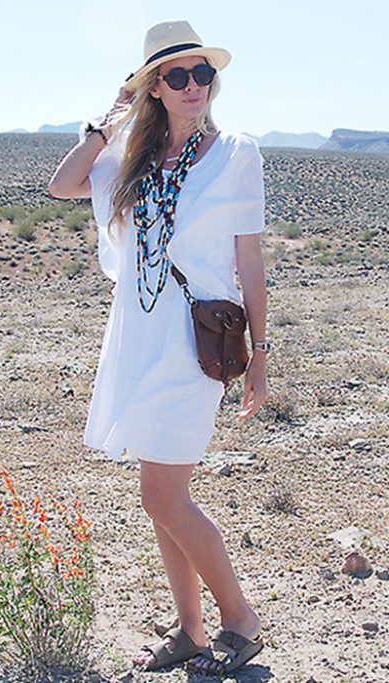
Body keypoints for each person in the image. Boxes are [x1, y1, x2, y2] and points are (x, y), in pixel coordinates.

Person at [48, 21, 268, 675]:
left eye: (203, 74)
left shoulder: (236, 153)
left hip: (195, 339)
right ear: (152, 87)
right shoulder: (127, 157)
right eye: (177, 75)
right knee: (160, 491)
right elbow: (63, 185)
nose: (195, 85)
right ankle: (191, 631)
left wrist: (263, 351)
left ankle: (241, 619)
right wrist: (104, 121)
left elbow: (250, 259)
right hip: (138, 335)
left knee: (162, 496)